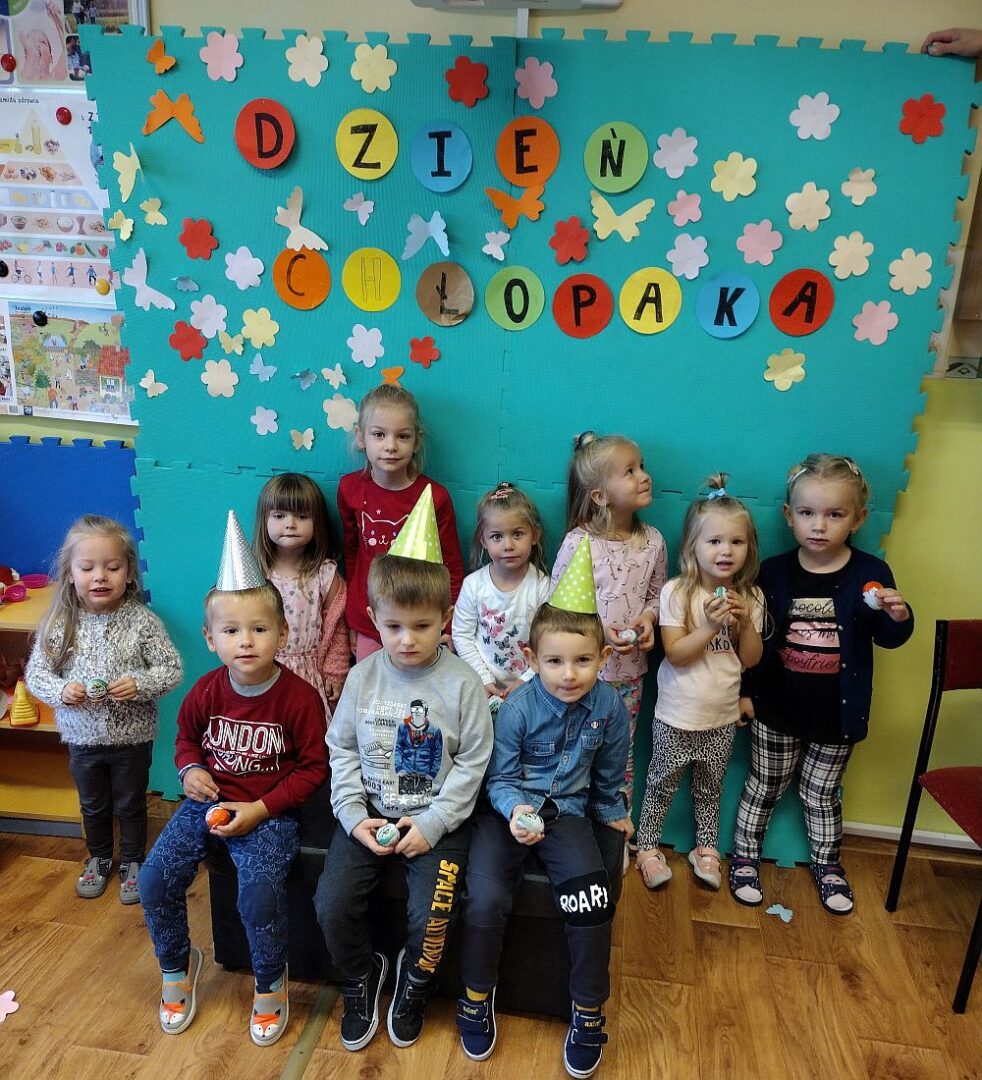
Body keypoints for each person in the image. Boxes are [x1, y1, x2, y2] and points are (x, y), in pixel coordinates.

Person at [137, 511, 328, 1046]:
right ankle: (177, 967)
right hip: (208, 803)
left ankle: (270, 982)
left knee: (259, 897)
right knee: (154, 880)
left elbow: (313, 768)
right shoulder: (205, 692)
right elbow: (186, 740)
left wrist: (262, 809)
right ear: (210, 637)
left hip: (268, 813)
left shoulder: (299, 699)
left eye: (259, 629)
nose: (246, 641)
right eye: (231, 631)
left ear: (282, 633)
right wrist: (191, 769)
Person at [315, 485, 493, 1053]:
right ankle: (361, 974)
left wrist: (435, 823)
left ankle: (414, 983)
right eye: (394, 627)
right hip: (369, 811)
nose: (407, 640)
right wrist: (351, 814)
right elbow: (341, 747)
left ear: (446, 619)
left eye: (422, 626)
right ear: (373, 619)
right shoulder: (363, 677)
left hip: (437, 819)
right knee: (331, 903)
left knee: (433, 916)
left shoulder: (463, 684)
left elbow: (473, 761)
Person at [456, 537, 633, 1079]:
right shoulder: (516, 709)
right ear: (532, 660)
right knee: (485, 898)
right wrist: (515, 811)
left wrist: (611, 808)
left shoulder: (609, 707)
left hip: (568, 814)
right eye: (555, 661)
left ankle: (587, 1010)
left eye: (583, 661)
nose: (569, 674)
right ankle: (475, 997)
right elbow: (500, 778)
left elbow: (610, 769)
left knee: (592, 900)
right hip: (506, 812)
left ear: (604, 659)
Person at [730, 455, 913, 915]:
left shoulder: (870, 573)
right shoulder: (772, 572)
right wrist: (746, 692)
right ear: (789, 515)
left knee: (821, 795)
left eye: (835, 514)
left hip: (837, 715)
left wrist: (898, 616)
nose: (819, 525)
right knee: (763, 786)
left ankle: (828, 866)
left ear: (858, 519)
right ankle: (745, 859)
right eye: (807, 513)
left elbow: (888, 638)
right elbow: (755, 639)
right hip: (775, 709)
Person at [26, 515, 182, 904]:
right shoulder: (61, 624)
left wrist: (139, 684)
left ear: (129, 573)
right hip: (82, 739)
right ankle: (98, 857)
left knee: (130, 802)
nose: (100, 576)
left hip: (132, 739)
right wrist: (63, 691)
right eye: (87, 567)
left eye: (112, 567)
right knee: (93, 805)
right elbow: (37, 674)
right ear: (70, 573)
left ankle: (133, 861)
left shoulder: (142, 622)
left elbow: (171, 669)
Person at [635, 475, 764, 891]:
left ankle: (706, 848)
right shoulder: (677, 592)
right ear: (693, 546)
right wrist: (709, 625)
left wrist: (746, 625)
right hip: (676, 716)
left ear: (749, 548)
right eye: (714, 541)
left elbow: (750, 660)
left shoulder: (752, 597)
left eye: (736, 542)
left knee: (710, 788)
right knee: (661, 785)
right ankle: (647, 847)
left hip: (721, 718)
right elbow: (675, 653)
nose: (726, 550)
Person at [552, 431, 667, 819]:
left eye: (642, 467)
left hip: (628, 674)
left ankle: (616, 826)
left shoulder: (653, 541)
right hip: (580, 674)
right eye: (630, 471)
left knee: (620, 753)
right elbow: (556, 607)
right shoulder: (578, 542)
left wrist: (649, 619)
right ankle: (567, 823)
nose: (644, 476)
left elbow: (657, 596)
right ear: (600, 495)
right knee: (573, 750)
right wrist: (599, 632)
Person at [337, 384, 464, 662]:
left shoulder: (435, 496)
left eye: (403, 436)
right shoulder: (349, 489)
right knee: (372, 686)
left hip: (419, 625)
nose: (391, 446)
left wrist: (449, 626)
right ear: (361, 436)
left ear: (417, 441)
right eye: (379, 434)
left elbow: (451, 568)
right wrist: (353, 619)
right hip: (369, 621)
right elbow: (352, 555)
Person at [253, 472, 349, 718]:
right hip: (263, 672)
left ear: (317, 522)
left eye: (302, 516)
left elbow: (337, 627)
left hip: (309, 676)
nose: (290, 524)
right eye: (279, 516)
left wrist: (336, 672)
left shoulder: (325, 574)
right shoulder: (255, 574)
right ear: (264, 520)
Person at [451, 482, 552, 705]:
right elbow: (462, 636)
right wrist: (483, 679)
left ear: (534, 535)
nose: (508, 545)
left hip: (532, 685)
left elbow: (550, 639)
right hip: (481, 685)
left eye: (517, 534)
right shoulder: (473, 585)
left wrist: (527, 679)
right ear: (483, 540)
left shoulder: (542, 587)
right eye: (497, 536)